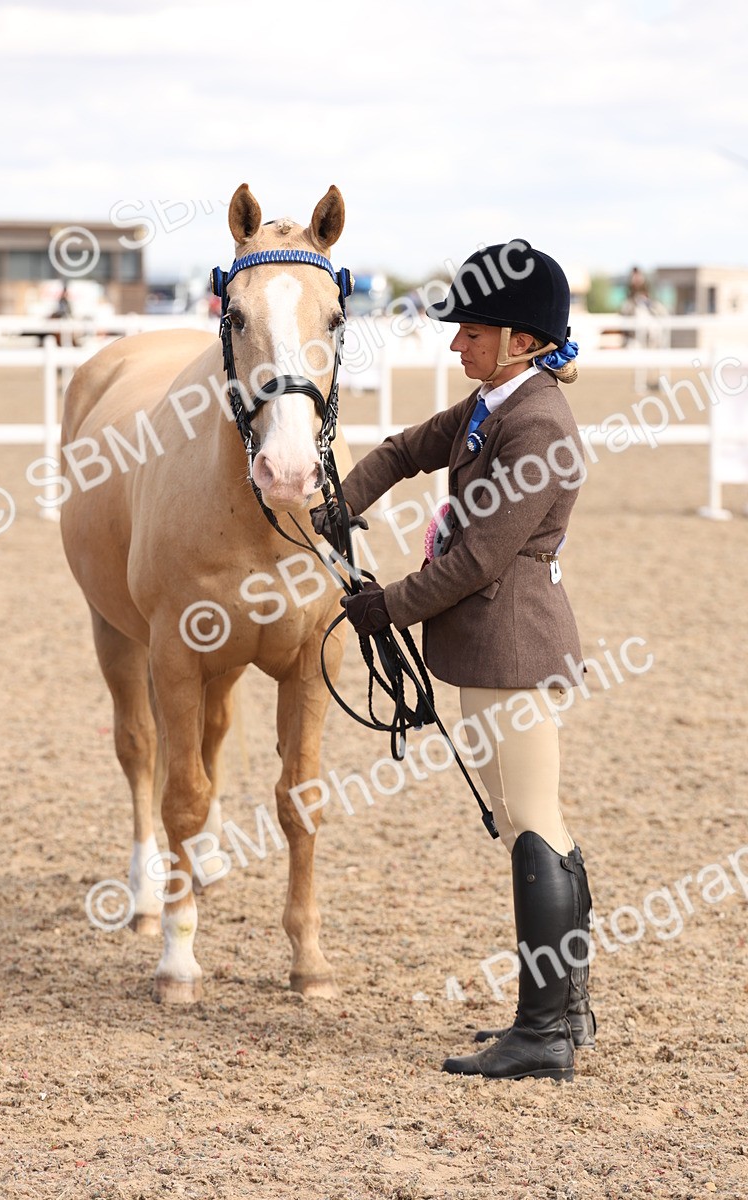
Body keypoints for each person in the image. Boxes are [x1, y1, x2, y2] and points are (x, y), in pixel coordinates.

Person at [311, 240, 595, 1082]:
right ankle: (564, 1011)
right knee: (532, 821)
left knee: (531, 824)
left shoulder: (536, 423)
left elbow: (477, 562)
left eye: (471, 331)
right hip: (489, 644)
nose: (455, 344)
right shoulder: (493, 403)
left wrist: (383, 606)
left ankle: (543, 1030)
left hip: (511, 645)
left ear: (521, 339)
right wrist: (340, 505)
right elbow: (404, 449)